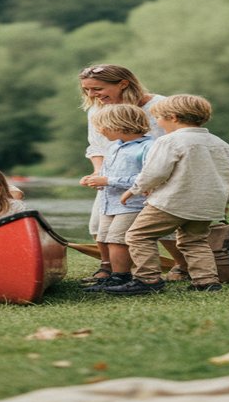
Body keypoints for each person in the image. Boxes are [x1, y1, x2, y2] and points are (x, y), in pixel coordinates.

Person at [106, 94, 229, 295]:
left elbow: (155, 172)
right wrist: (227, 201)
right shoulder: (221, 143)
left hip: (173, 202)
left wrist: (134, 190)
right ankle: (206, 281)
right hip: (207, 205)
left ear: (173, 117)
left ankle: (147, 279)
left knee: (138, 235)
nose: (157, 123)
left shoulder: (169, 141)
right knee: (194, 241)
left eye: (158, 118)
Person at [77, 64, 189, 282]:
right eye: (87, 90)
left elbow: (176, 141)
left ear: (123, 84)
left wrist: (154, 181)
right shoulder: (96, 110)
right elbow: (97, 147)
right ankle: (108, 268)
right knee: (99, 225)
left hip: (158, 175)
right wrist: (98, 174)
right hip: (114, 177)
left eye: (97, 89)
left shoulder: (159, 105)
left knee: (160, 226)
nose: (92, 95)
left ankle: (183, 265)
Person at [79, 104, 154, 292]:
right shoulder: (113, 147)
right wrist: (95, 179)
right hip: (109, 203)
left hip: (132, 204)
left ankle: (122, 277)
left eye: (103, 126)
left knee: (118, 240)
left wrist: (109, 180)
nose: (100, 130)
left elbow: (147, 177)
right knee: (105, 237)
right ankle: (114, 275)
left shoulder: (148, 147)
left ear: (119, 125)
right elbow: (106, 173)